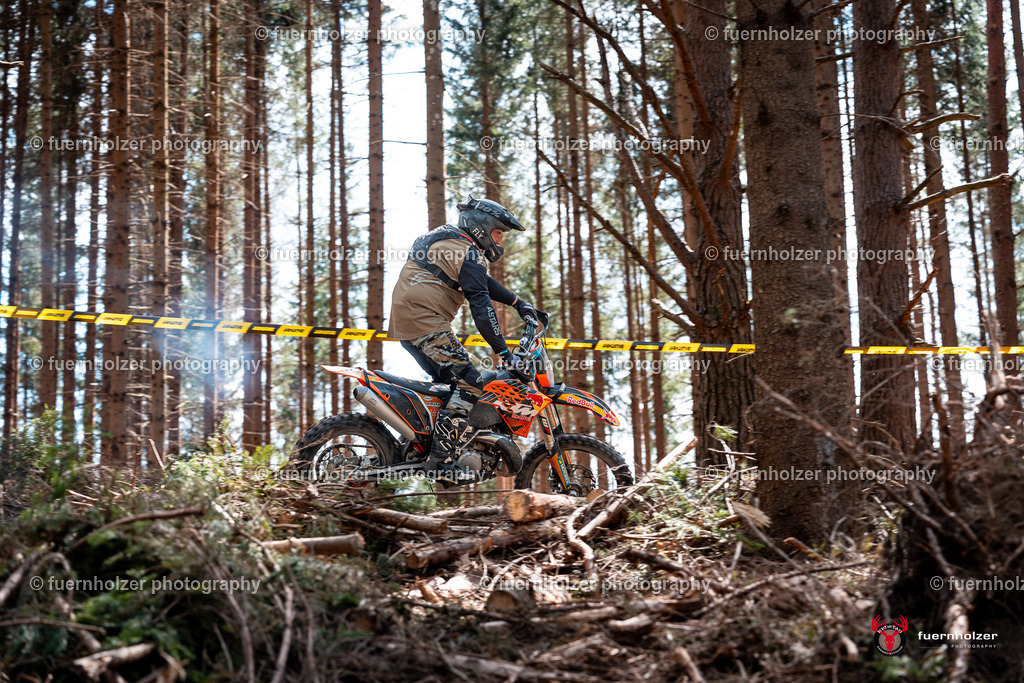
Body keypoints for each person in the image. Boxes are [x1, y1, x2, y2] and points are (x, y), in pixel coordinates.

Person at [387, 196, 540, 483]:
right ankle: (441, 460)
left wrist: (517, 302)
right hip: (425, 322)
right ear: (483, 227)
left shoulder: (451, 240)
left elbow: (481, 281)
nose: (499, 240)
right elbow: (481, 306)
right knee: (471, 381)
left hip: (412, 321)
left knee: (451, 386)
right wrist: (505, 354)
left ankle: (421, 444)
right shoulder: (466, 252)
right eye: (498, 232)